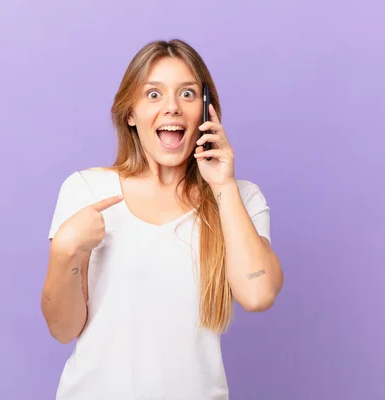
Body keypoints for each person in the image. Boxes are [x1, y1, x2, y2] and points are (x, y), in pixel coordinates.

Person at [41, 39, 283, 399]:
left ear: (205, 112)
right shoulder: (87, 190)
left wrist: (223, 186)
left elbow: (258, 294)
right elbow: (63, 329)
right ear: (130, 114)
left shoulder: (239, 197)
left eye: (187, 94)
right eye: (153, 95)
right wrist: (64, 250)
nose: (171, 107)